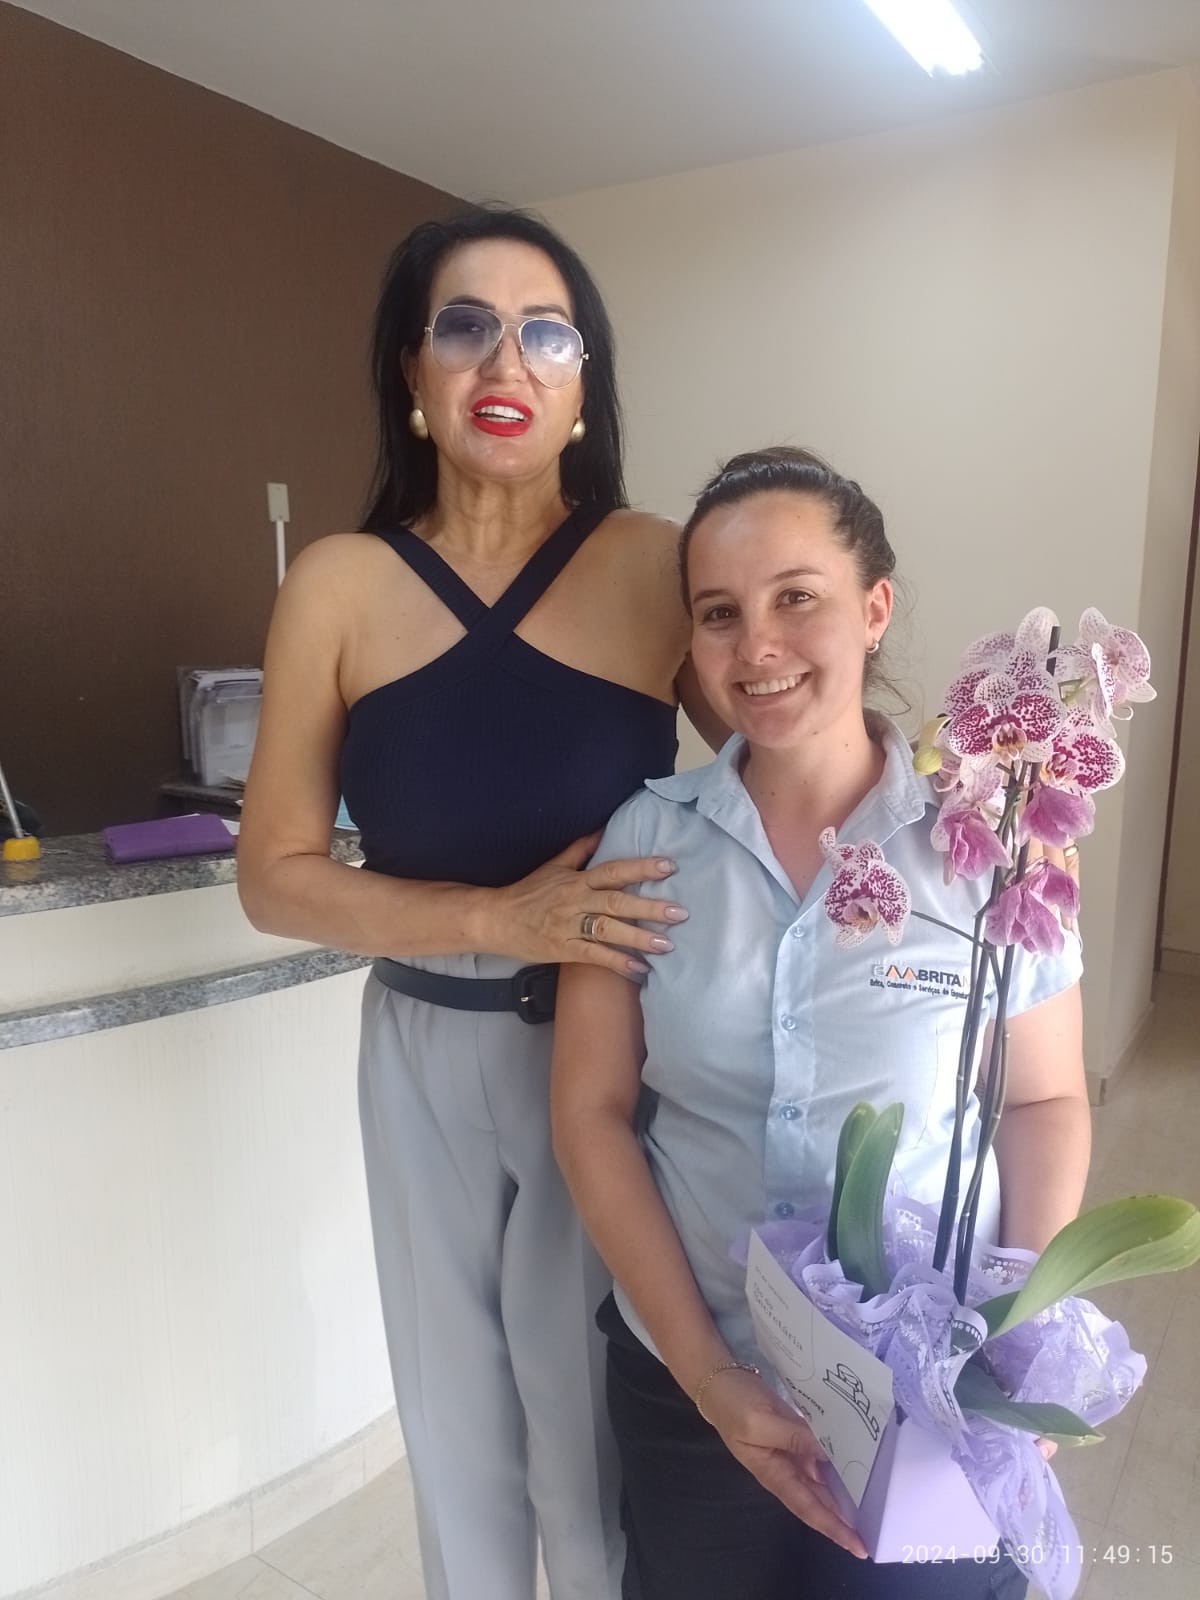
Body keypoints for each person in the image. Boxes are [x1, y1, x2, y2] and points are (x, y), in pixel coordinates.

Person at [237, 204, 723, 1600]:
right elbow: (274, 874)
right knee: (454, 1435)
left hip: (605, 1048)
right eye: (466, 327)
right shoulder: (337, 584)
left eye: (545, 332)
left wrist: (955, 804)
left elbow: (778, 771)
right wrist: (492, 919)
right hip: (420, 1054)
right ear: (414, 371)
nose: (506, 359)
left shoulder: (653, 562)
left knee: (590, 1437)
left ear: (581, 385)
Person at [550, 447, 1090, 1600]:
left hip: (921, 1389)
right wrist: (709, 1377)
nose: (757, 646)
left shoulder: (985, 846)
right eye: (719, 613)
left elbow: (1044, 1099)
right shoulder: (646, 841)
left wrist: (1017, 1332)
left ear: (875, 608)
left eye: (796, 597)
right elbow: (592, 1112)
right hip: (695, 1378)